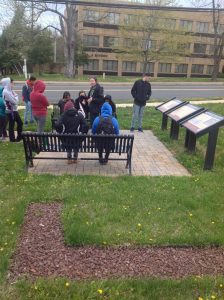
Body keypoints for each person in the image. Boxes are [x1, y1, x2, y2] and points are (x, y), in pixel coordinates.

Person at [1, 77, 23, 142]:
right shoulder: (6, 92)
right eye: (11, 83)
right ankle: (12, 139)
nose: (12, 84)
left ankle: (18, 137)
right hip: (10, 111)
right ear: (7, 83)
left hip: (14, 110)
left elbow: (16, 99)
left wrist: (15, 98)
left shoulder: (10, 91)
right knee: (12, 125)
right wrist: (16, 97)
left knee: (19, 123)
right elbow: (15, 102)